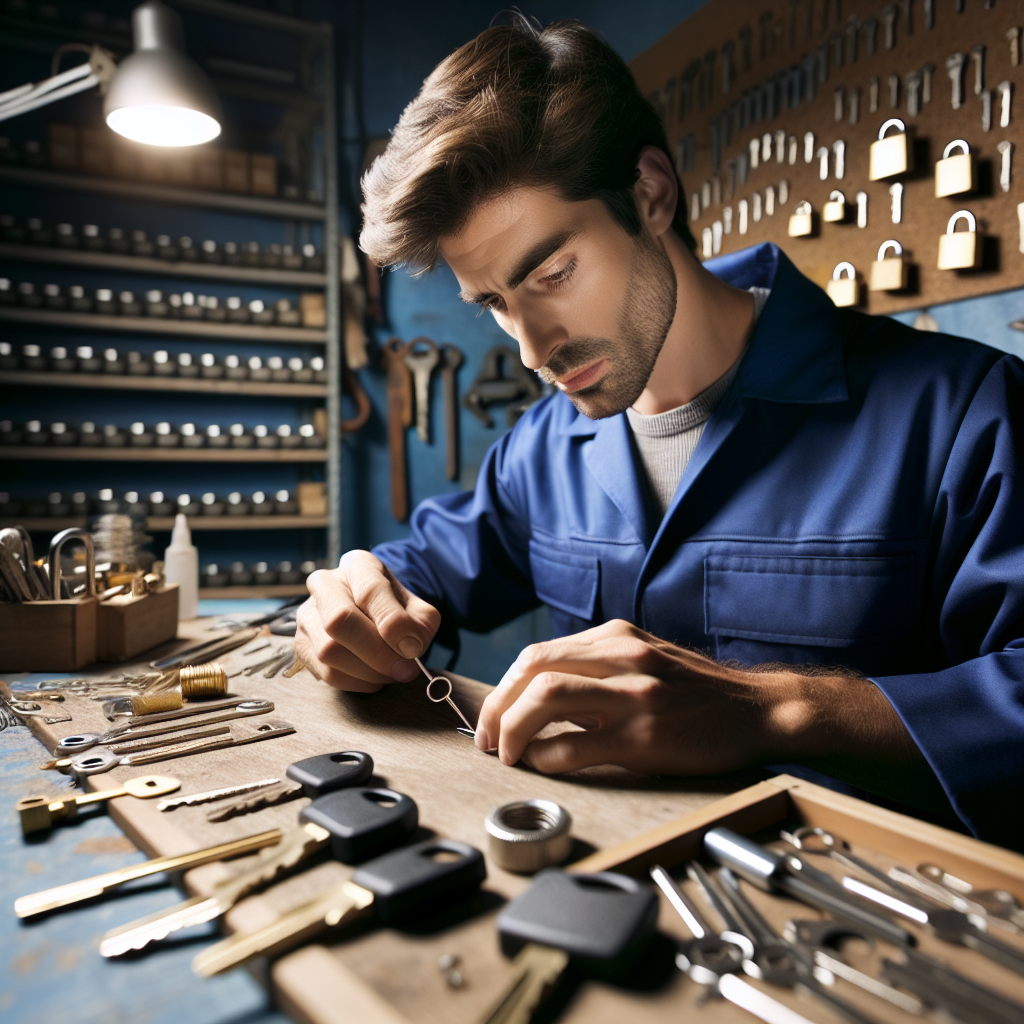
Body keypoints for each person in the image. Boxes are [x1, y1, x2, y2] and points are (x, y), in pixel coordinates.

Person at [296, 17, 1024, 849]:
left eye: (552, 274)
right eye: (497, 304)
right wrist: (355, 598)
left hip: (864, 929)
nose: (533, 349)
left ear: (649, 195)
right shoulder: (541, 450)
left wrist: (777, 708)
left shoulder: (962, 412)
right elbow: (416, 572)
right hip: (604, 909)